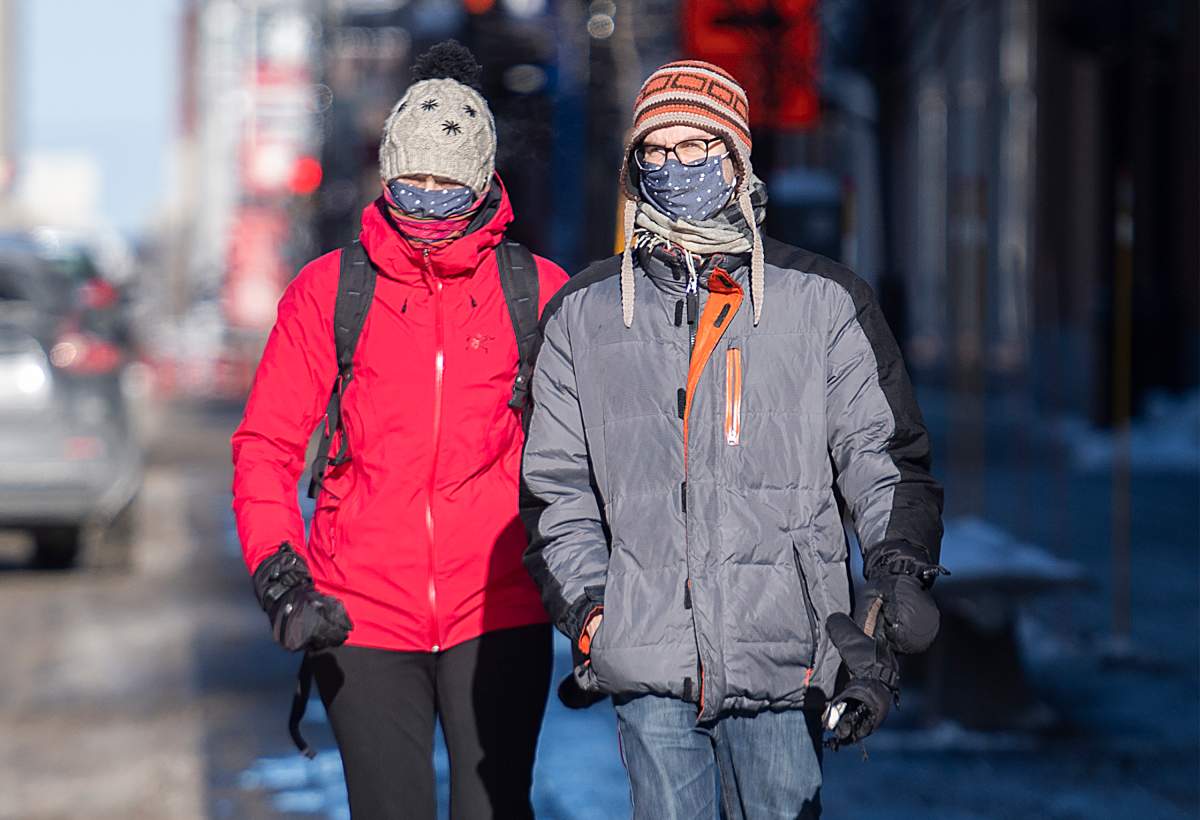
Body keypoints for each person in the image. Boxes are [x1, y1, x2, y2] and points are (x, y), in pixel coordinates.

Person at [521, 60, 946, 819]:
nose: (676, 167)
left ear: (736, 158)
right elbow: (555, 487)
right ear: (634, 166)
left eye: (698, 148)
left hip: (787, 655)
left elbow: (881, 460)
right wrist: (593, 614)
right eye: (658, 150)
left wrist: (898, 570)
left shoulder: (822, 301)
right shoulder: (584, 314)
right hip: (647, 657)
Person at [231, 41, 567, 820]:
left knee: (493, 809)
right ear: (386, 176)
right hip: (361, 612)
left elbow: (593, 457)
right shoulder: (330, 292)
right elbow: (268, 447)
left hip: (500, 609)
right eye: (409, 183)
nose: (426, 205)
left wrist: (594, 593)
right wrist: (282, 576)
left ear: (483, 186)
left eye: (446, 189)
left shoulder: (537, 293)